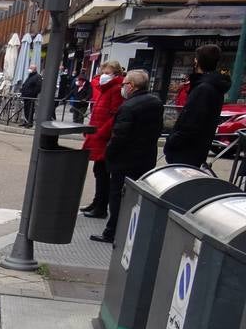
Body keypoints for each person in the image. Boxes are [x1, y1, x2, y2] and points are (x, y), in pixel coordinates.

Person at [92, 69, 162, 244]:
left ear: (131, 86)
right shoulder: (155, 102)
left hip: (124, 160)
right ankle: (128, 229)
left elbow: (120, 136)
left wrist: (109, 154)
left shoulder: (128, 106)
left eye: (124, 84)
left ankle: (112, 232)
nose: (122, 87)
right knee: (133, 197)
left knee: (117, 196)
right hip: (145, 158)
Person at [165, 43, 229, 169]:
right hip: (195, 148)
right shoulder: (211, 86)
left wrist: (173, 141)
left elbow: (191, 122)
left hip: (186, 150)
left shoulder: (204, 89)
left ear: (198, 61)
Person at [80, 61, 125, 219]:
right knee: (99, 171)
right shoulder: (105, 88)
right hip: (98, 134)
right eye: (103, 72)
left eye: (108, 72)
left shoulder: (116, 90)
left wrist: (100, 133)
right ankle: (97, 201)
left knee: (103, 172)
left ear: (116, 73)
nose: (104, 75)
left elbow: (114, 115)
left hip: (104, 137)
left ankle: (101, 207)